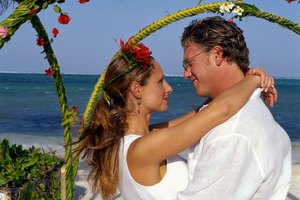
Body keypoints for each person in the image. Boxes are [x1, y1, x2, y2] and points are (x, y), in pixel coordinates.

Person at [73, 38, 276, 200]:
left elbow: (203, 111)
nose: (169, 88)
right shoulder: (142, 149)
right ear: (137, 90)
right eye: (160, 81)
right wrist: (255, 80)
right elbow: (221, 110)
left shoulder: (142, 138)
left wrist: (243, 79)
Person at [175, 16, 291, 200]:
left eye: (188, 63)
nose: (186, 74)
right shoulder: (246, 111)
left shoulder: (232, 132)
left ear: (217, 55)